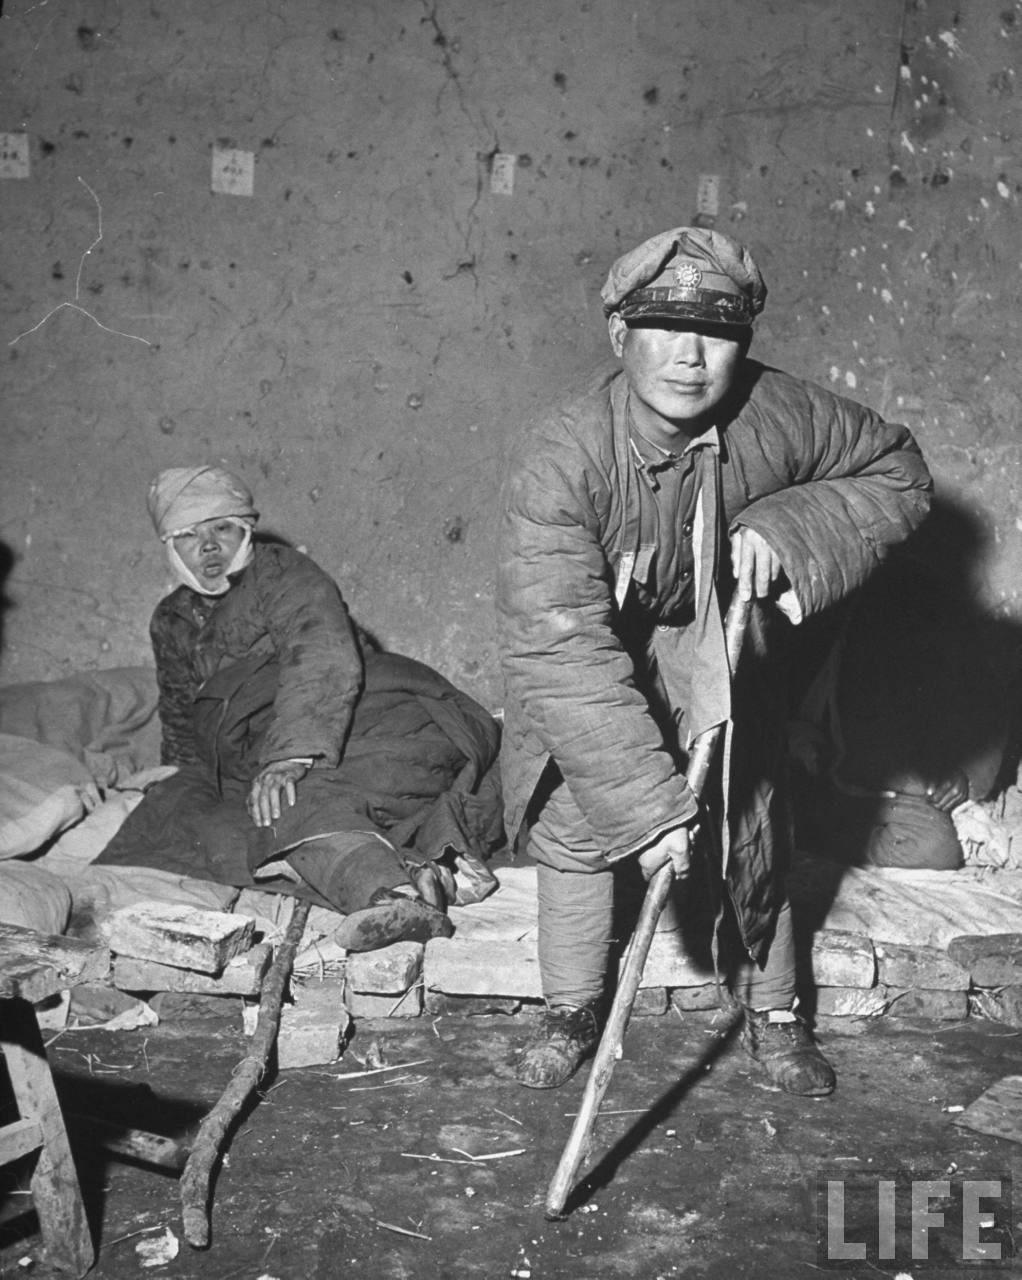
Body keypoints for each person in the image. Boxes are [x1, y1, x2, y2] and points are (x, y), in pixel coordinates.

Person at [496, 226, 933, 1094]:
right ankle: (571, 1009)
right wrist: (648, 813)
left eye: (718, 333)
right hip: (598, 648)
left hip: (722, 640)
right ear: (619, 335)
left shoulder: (781, 414)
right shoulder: (561, 458)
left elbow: (900, 473)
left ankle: (775, 1012)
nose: (690, 357)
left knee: (750, 809)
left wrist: (790, 526)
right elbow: (560, 642)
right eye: (664, 327)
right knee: (576, 812)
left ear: (745, 343)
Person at [98, 465, 504, 950]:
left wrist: (290, 756)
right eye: (188, 535)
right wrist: (179, 777)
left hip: (377, 714)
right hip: (285, 747)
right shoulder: (171, 620)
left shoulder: (280, 571)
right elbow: (184, 713)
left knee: (289, 802)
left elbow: (321, 654)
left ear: (246, 531)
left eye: (222, 528)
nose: (208, 547)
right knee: (219, 820)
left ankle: (390, 896)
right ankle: (416, 876)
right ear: (170, 547)